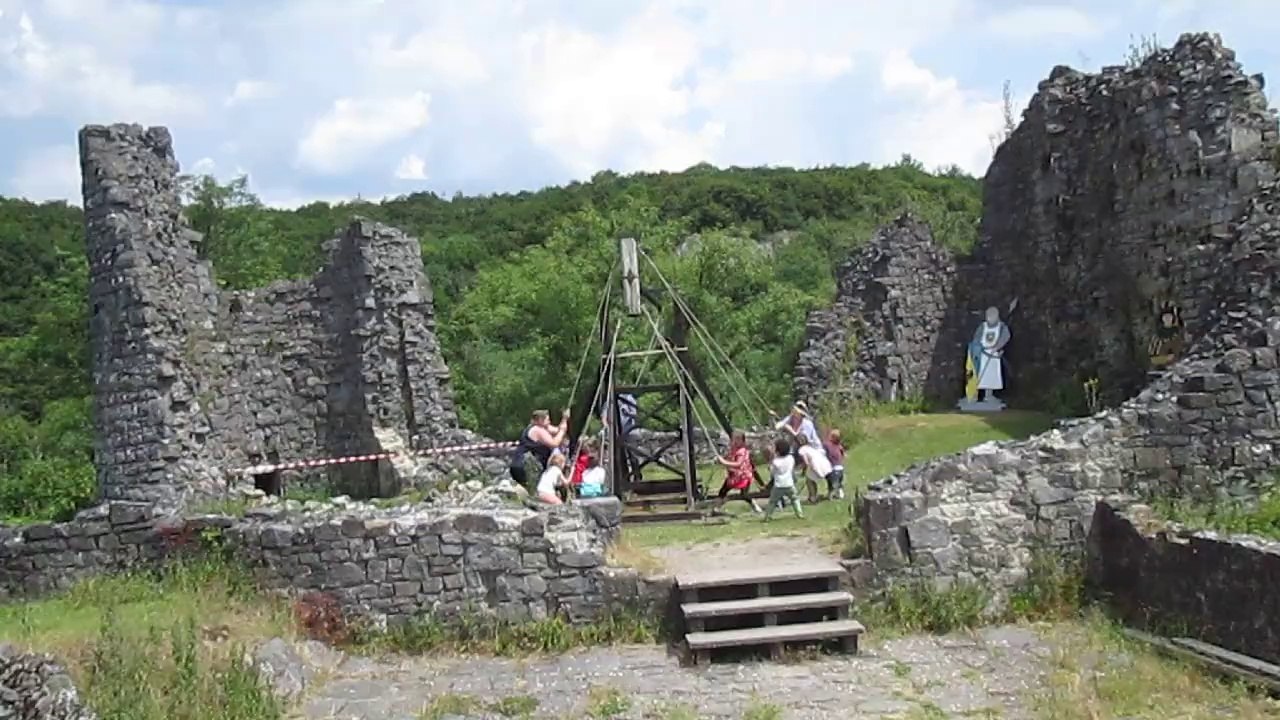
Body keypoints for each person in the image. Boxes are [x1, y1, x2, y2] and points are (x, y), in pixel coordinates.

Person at [509, 409, 570, 488]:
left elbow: (558, 430)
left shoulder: (542, 427)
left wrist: (564, 419)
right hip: (524, 466)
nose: (549, 422)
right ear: (540, 420)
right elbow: (554, 443)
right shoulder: (537, 430)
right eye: (548, 420)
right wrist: (562, 431)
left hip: (522, 465)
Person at [713, 431, 762, 513]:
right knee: (723, 491)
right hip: (733, 476)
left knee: (744, 494)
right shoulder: (733, 450)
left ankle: (754, 505)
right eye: (733, 439)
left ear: (743, 441)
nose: (735, 442)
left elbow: (738, 464)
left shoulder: (742, 451)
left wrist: (724, 462)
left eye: (738, 439)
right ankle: (716, 508)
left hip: (743, 476)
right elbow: (728, 458)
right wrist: (720, 460)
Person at [764, 437, 802, 521]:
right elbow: (791, 468)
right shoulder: (790, 458)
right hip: (789, 484)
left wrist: (771, 461)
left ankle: (767, 516)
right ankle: (799, 513)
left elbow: (772, 472)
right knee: (795, 499)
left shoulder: (776, 461)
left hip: (778, 485)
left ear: (778, 451)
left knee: (772, 501)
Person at [823, 429, 846, 500]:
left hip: (833, 468)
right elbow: (843, 453)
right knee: (839, 482)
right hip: (840, 468)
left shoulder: (827, 445)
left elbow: (823, 450)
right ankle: (840, 493)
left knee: (832, 482)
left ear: (832, 437)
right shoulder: (838, 445)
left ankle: (831, 495)